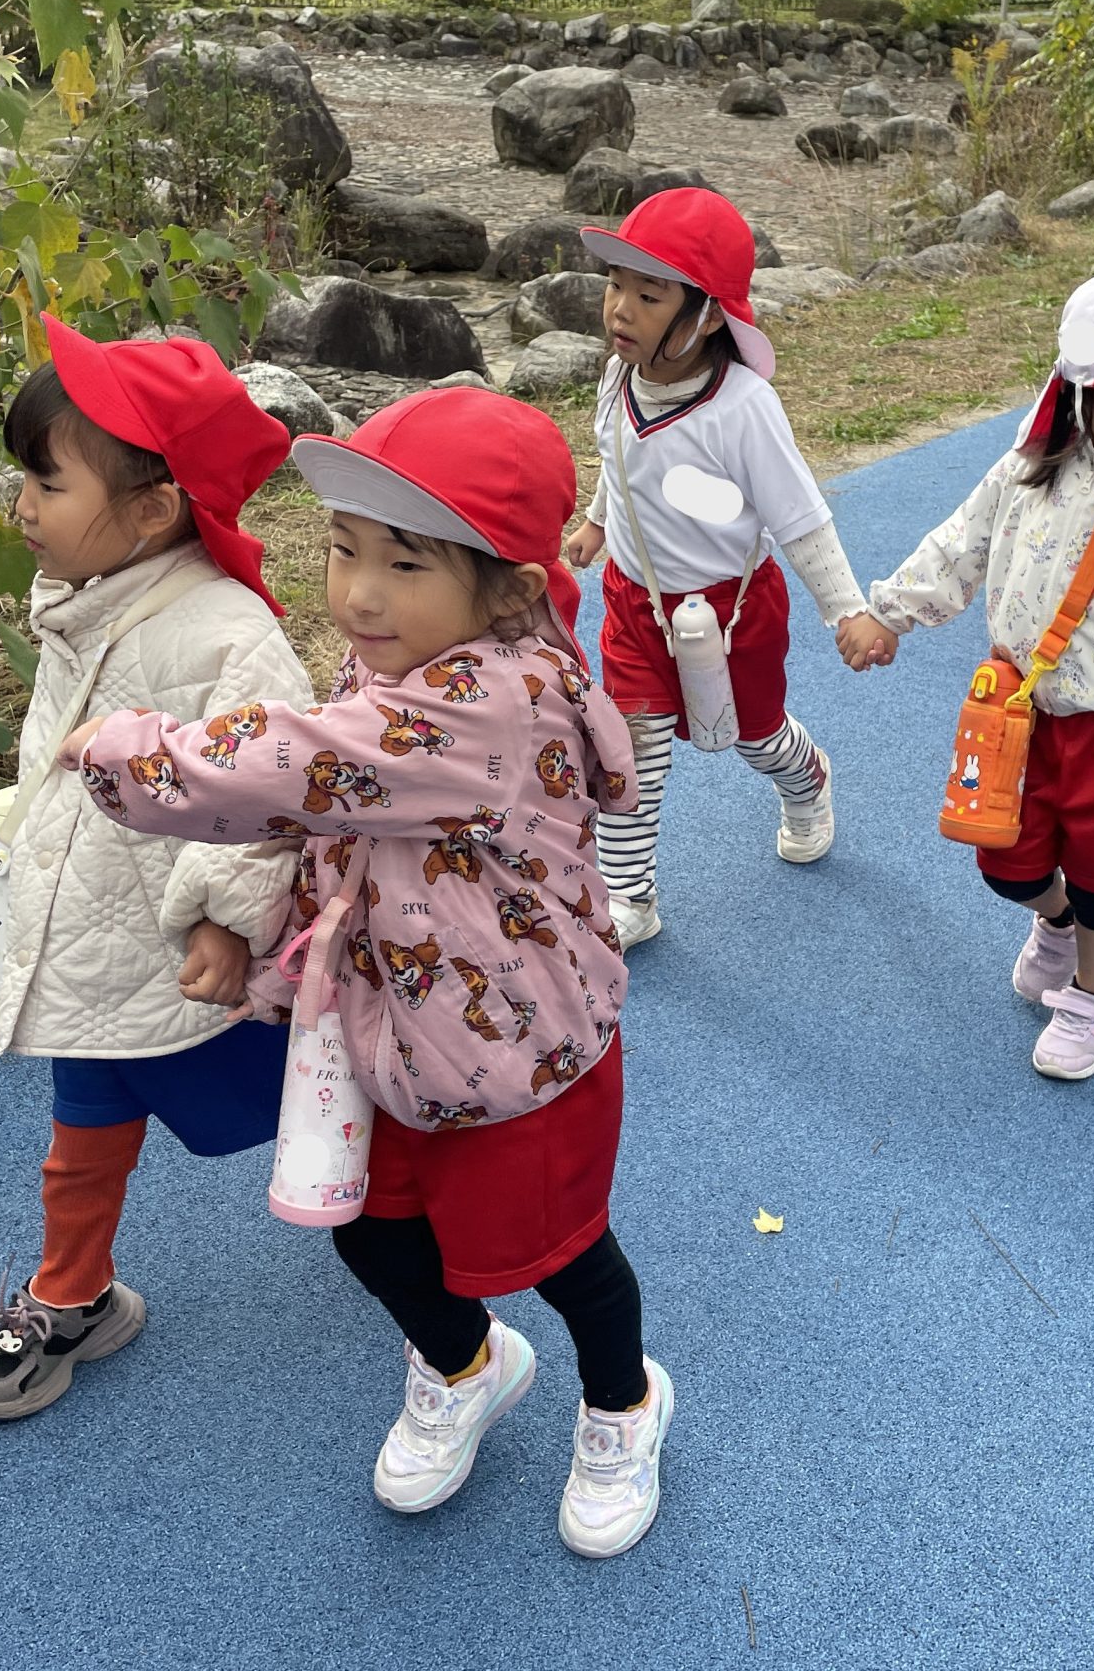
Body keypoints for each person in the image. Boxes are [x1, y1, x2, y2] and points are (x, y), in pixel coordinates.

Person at [61, 388, 674, 1561]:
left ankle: (623, 1402)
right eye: (343, 549)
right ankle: (465, 1363)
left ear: (507, 589)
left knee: (559, 1258)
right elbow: (327, 816)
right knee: (368, 1228)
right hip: (384, 1024)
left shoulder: (485, 703)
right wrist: (244, 922)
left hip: (513, 1052)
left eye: (404, 563)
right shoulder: (395, 668)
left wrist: (129, 753)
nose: (359, 593)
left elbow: (290, 765)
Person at [0, 317, 313, 1422]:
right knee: (83, 1132)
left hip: (180, 947)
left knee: (319, 1092)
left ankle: (421, 1213)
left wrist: (228, 919)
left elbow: (273, 790)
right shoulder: (83, 601)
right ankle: (72, 1296)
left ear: (153, 510)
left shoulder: (226, 636)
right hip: (92, 929)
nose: (21, 505)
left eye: (46, 483)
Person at [836, 271, 1094, 1082]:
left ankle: (1093, 997)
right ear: (1083, 393)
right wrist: (890, 612)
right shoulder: (1036, 464)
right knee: (1004, 863)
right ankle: (1054, 922)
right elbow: (964, 540)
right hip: (1021, 709)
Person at [562, 188, 869, 951]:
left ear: (706, 315)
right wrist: (598, 521)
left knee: (751, 736)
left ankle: (807, 778)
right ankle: (629, 898)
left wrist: (847, 609)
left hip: (733, 611)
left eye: (649, 295)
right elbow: (620, 458)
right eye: (615, 285)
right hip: (635, 603)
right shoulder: (618, 379)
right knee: (629, 748)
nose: (621, 309)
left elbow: (800, 520)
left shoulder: (743, 407)